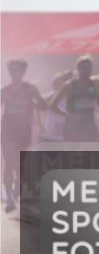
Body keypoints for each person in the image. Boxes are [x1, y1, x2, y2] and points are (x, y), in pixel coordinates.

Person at [1, 59, 46, 212]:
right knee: (8, 162)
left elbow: (43, 105)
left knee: (19, 164)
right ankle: (9, 197)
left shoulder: (30, 88)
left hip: (24, 131)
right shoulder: (4, 90)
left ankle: (17, 189)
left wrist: (33, 103)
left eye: (17, 70)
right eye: (12, 70)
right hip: (8, 129)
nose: (14, 73)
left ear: (23, 72)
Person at [50, 55, 99, 142]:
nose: (87, 71)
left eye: (89, 68)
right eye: (84, 68)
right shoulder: (69, 85)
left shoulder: (95, 84)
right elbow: (52, 105)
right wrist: (67, 115)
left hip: (89, 127)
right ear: (78, 69)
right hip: (73, 128)